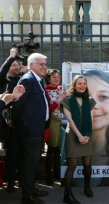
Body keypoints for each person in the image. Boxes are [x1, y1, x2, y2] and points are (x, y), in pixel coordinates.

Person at [11, 53, 50, 204]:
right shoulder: (28, 80)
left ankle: (31, 189)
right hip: (29, 130)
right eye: (41, 64)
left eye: (45, 64)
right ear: (31, 65)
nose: (44, 67)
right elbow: (18, 104)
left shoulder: (37, 80)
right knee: (28, 163)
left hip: (37, 128)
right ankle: (27, 197)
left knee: (32, 162)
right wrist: (19, 124)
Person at [60, 75, 96, 204]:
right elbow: (69, 119)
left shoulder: (90, 100)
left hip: (87, 135)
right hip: (73, 135)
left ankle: (87, 186)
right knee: (72, 165)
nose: (82, 86)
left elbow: (91, 119)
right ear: (74, 85)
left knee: (87, 164)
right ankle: (67, 194)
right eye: (79, 83)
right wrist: (79, 135)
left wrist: (87, 135)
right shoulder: (67, 100)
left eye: (84, 84)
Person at [0, 48, 22, 193]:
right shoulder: (4, 80)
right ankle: (7, 181)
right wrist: (11, 58)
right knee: (9, 153)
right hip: (5, 123)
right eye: (13, 65)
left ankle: (17, 181)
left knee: (18, 153)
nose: (16, 67)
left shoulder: (22, 79)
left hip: (19, 123)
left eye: (18, 65)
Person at [44, 69, 66, 186]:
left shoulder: (62, 89)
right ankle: (49, 176)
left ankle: (59, 174)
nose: (56, 79)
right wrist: (59, 100)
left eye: (58, 77)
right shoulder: (45, 91)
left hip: (63, 121)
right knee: (52, 149)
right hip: (52, 121)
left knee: (59, 149)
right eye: (53, 77)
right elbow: (49, 109)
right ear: (48, 79)